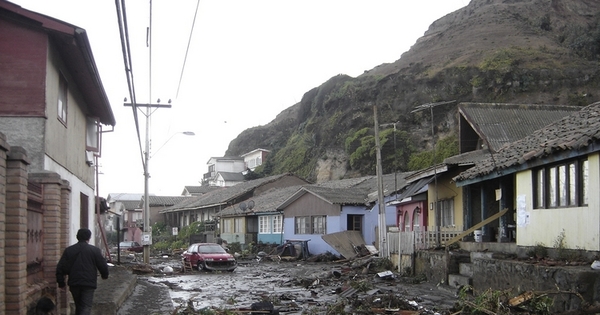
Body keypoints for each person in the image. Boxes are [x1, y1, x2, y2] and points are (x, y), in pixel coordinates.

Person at [56, 228, 109, 315]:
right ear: (89, 238)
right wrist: (105, 275)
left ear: (77, 237)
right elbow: (102, 265)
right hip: (89, 283)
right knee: (86, 306)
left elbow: (60, 267)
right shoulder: (94, 250)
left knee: (78, 305)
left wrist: (61, 282)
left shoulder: (69, 250)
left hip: (74, 282)